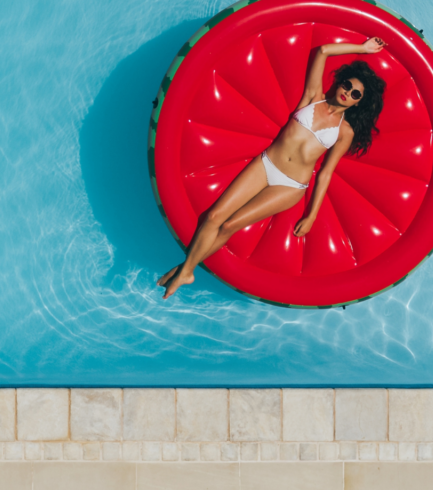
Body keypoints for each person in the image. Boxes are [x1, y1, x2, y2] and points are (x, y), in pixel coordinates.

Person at [159, 37, 388, 299]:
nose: (347, 92)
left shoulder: (344, 132)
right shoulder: (314, 97)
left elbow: (325, 173)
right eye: (347, 85)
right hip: (266, 163)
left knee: (229, 225)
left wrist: (312, 215)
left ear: (358, 102)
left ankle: (184, 270)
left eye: (355, 94)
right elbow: (323, 51)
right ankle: (185, 271)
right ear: (340, 82)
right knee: (212, 218)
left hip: (290, 186)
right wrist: (363, 49)